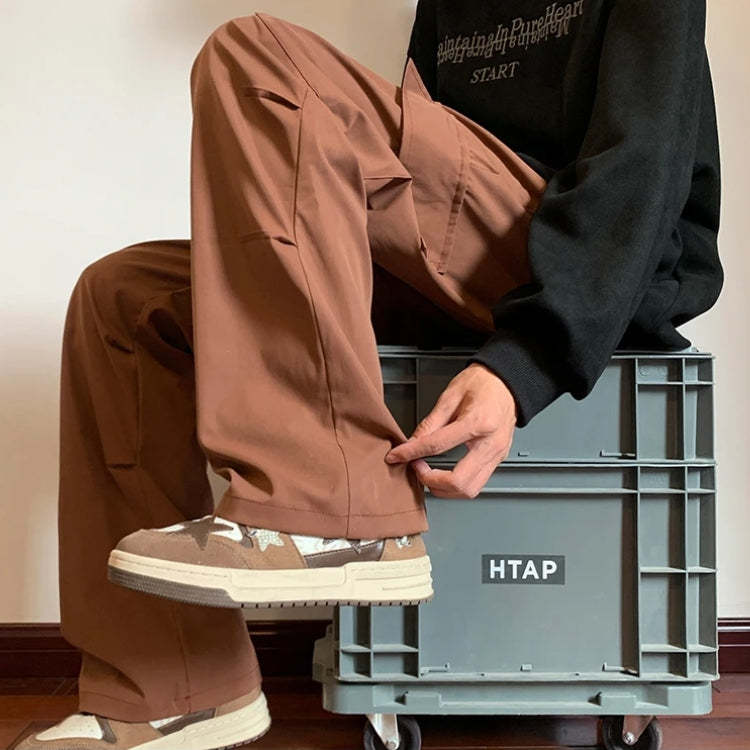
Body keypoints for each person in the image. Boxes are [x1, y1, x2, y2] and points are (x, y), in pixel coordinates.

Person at [18, 1, 723, 748]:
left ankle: (332, 508)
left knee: (255, 55)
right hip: (468, 260)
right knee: (125, 298)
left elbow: (643, 165)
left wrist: (526, 362)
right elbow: (410, 173)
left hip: (593, 258)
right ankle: (177, 691)